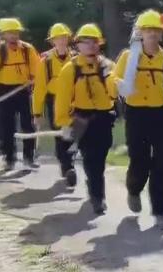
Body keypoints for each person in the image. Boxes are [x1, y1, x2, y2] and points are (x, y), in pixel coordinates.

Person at [114, 9, 163, 230]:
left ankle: (161, 213)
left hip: (160, 115)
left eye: (155, 31)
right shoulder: (127, 57)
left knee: (162, 165)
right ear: (140, 33)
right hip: (136, 115)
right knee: (139, 161)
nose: (152, 34)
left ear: (161, 35)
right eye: (147, 30)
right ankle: (134, 189)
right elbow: (115, 81)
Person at [54, 24, 117, 214]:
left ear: (99, 44)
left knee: (100, 158)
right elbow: (62, 99)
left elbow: (115, 95)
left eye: (94, 42)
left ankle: (95, 189)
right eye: (85, 42)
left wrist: (110, 78)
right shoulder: (70, 70)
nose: (90, 46)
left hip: (104, 118)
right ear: (78, 45)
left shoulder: (109, 66)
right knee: (91, 160)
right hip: (81, 119)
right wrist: (64, 122)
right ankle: (98, 197)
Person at [0, 18, 41, 171]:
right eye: (10, 33)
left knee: (28, 124)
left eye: (16, 33)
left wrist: (34, 79)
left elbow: (38, 69)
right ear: (3, 35)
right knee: (6, 126)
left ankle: (29, 157)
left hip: (24, 90)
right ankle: (9, 158)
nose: (14, 36)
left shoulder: (28, 50)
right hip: (3, 91)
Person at [32, 23, 77, 187]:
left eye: (64, 37)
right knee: (60, 136)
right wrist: (37, 113)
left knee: (73, 134)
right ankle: (67, 168)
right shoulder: (46, 62)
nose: (62, 41)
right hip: (55, 101)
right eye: (58, 38)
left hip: (74, 102)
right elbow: (39, 89)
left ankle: (69, 162)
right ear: (53, 42)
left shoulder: (76, 58)